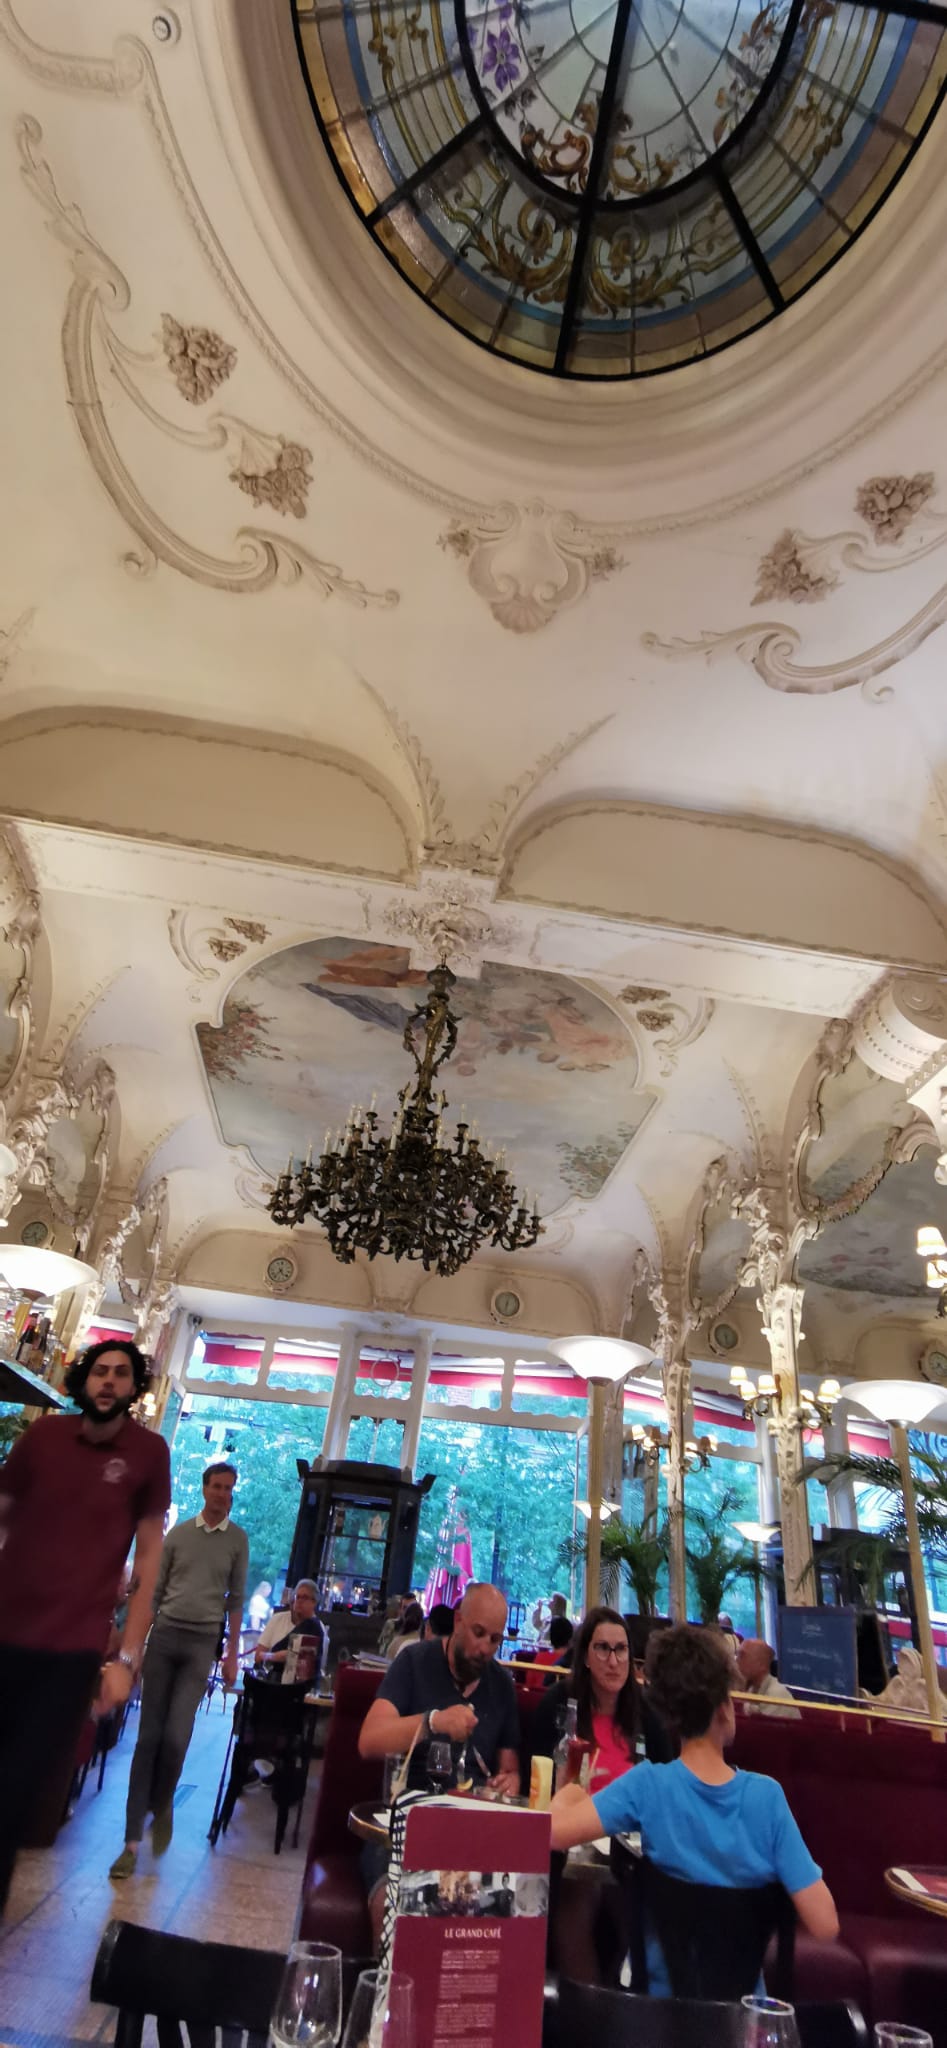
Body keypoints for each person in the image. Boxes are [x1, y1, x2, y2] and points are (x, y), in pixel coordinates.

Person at [550, 1623, 838, 1995]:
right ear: (724, 1709)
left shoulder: (648, 1786)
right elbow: (825, 1924)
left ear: (669, 1714)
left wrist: (571, 1792)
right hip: (740, 2019)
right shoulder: (768, 1799)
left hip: (658, 2015)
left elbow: (552, 1832)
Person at [0, 1338, 170, 1916]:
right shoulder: (43, 1437)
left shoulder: (148, 1453)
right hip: (4, 1630)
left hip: (71, 1652)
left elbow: (148, 1559)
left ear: (134, 1387)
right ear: (83, 1380)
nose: (109, 1381)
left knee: (13, 1797)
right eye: (100, 1371)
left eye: (122, 1373)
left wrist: (127, 1658)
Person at [358, 1582, 521, 1945]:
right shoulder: (414, 1663)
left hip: (470, 1833)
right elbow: (369, 1740)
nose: (485, 1648)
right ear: (459, 1620)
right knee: (392, 1903)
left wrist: (510, 1781)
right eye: (478, 1633)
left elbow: (509, 1770)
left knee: (505, 1907)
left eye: (495, 1640)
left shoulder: (501, 1685)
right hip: (403, 1827)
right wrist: (432, 1722)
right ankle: (386, 1982)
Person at [109, 1459, 248, 1877]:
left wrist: (231, 1654)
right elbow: (153, 1596)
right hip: (165, 1637)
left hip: (201, 1645)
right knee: (148, 1738)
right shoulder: (180, 1535)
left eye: (229, 1488)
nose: (223, 1494)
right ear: (204, 1489)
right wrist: (135, 1649)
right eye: (217, 1486)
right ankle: (130, 1842)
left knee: (175, 1737)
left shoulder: (237, 1541)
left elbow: (236, 1600)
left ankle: (163, 1801)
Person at [533, 1607, 672, 1791]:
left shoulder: (648, 1711)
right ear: (585, 1657)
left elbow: (665, 1788)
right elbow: (535, 1782)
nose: (613, 1662)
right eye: (603, 1648)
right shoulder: (557, 1703)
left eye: (621, 1649)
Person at [254, 1578, 325, 1683]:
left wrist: (268, 1656)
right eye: (298, 1597)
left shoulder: (314, 1626)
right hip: (275, 1681)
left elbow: (293, 1655)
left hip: (298, 1687)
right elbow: (258, 1656)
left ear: (314, 1602)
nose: (299, 1601)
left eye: (305, 1597)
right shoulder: (278, 1619)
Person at [737, 1638, 801, 1719]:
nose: (737, 1661)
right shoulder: (751, 1689)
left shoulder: (777, 1694)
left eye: (742, 1656)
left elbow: (762, 1725)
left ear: (761, 1664)